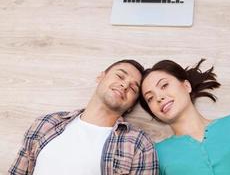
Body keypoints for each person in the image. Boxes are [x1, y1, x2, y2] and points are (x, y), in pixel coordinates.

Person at [9, 59, 159, 175]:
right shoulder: (46, 123)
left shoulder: (138, 143)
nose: (124, 85)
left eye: (133, 88)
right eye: (120, 76)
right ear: (101, 77)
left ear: (132, 105)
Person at [139, 59, 230, 175]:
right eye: (150, 98)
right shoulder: (155, 153)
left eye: (164, 85)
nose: (159, 97)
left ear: (186, 86)